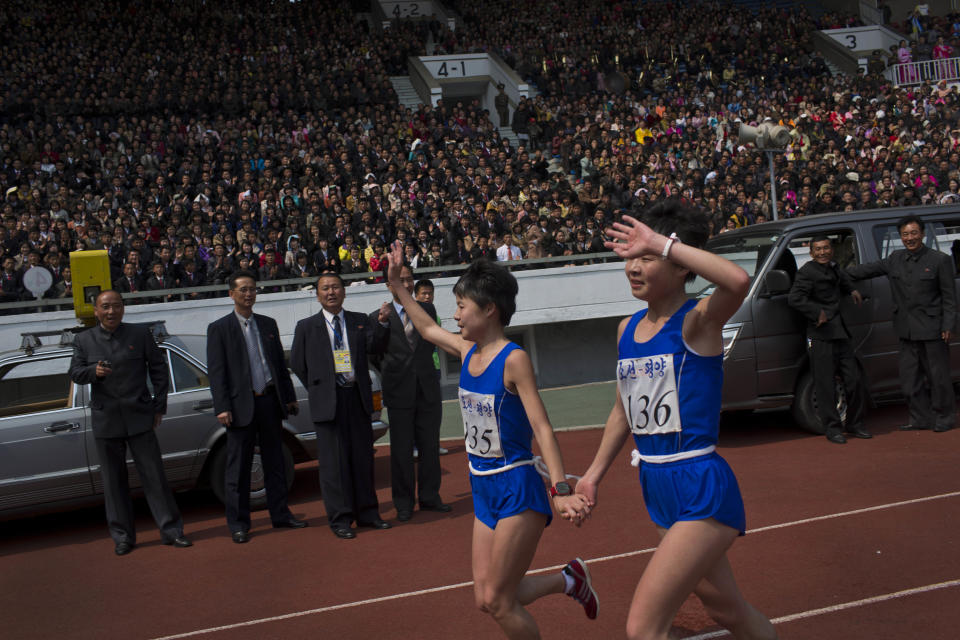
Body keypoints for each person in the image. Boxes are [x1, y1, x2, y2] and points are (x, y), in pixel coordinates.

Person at [575, 203, 776, 639]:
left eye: (646, 258)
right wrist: (593, 475)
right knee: (728, 611)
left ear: (682, 265)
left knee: (644, 628)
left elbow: (738, 280)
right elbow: (622, 409)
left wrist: (664, 243)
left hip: (700, 484)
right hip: (657, 484)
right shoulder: (626, 329)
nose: (633, 267)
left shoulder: (698, 321)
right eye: (630, 257)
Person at [385, 244, 598, 637]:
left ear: (489, 310)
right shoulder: (466, 350)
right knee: (486, 598)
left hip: (517, 485)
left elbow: (543, 427)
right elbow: (428, 329)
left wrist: (561, 488)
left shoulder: (514, 359)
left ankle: (570, 582)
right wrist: (398, 288)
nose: (454, 314)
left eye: (462, 305)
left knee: (500, 601)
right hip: (482, 485)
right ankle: (569, 581)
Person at [68, 290, 192, 555]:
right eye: (105, 307)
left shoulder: (139, 334)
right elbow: (75, 373)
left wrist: (158, 406)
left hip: (140, 417)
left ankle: (172, 531)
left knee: (155, 478)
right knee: (113, 483)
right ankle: (123, 537)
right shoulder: (83, 340)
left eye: (116, 306)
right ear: (96, 310)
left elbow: (159, 370)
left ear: (123, 308)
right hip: (106, 420)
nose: (111, 312)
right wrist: (94, 372)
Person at [206, 271, 308, 544]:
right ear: (231, 294)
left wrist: (288, 397)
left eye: (252, 289)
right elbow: (217, 374)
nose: (249, 294)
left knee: (276, 463)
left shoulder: (268, 324)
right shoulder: (219, 329)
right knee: (238, 467)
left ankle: (281, 514)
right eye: (243, 290)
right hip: (240, 407)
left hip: (269, 401)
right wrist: (222, 407)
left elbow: (278, 365)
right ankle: (238, 523)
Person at [290, 272, 392, 539]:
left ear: (344, 292)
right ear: (318, 294)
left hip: (356, 399)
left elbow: (375, 347)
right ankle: (341, 519)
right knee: (334, 466)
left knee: (362, 459)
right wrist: (321, 386)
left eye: (335, 287)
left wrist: (381, 323)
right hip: (328, 402)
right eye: (325, 288)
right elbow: (299, 364)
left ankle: (368, 513)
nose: (331, 292)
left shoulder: (358, 321)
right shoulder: (306, 327)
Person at [847, 215, 957, 432]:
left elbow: (949, 298)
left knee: (939, 378)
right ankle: (919, 418)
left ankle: (944, 417)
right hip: (906, 330)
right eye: (905, 234)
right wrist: (833, 274)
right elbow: (865, 270)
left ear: (922, 234)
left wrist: (948, 326)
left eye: (914, 233)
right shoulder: (895, 258)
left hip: (932, 328)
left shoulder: (939, 260)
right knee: (909, 379)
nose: (910, 238)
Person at [371, 265, 450, 523]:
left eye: (409, 280)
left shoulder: (426, 309)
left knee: (430, 446)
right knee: (402, 451)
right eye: (399, 280)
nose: (405, 285)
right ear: (388, 284)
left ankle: (430, 497)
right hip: (398, 392)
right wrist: (381, 326)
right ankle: (403, 503)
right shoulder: (378, 316)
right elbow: (372, 352)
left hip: (427, 389)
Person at [787, 236, 870, 443]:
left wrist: (852, 289)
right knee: (825, 384)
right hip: (820, 334)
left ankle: (855, 423)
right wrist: (817, 312)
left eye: (826, 248)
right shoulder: (806, 272)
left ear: (831, 250)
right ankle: (832, 428)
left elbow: (843, 279)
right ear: (811, 253)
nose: (822, 252)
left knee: (854, 380)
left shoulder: (834, 267)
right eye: (818, 249)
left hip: (840, 333)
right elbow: (795, 298)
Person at [415, 278, 449, 455]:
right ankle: (415, 446)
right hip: (415, 370)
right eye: (424, 294)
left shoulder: (436, 317)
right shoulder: (411, 315)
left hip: (433, 368)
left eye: (430, 293)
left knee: (434, 409)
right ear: (416, 296)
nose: (427, 297)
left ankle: (433, 444)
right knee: (417, 408)